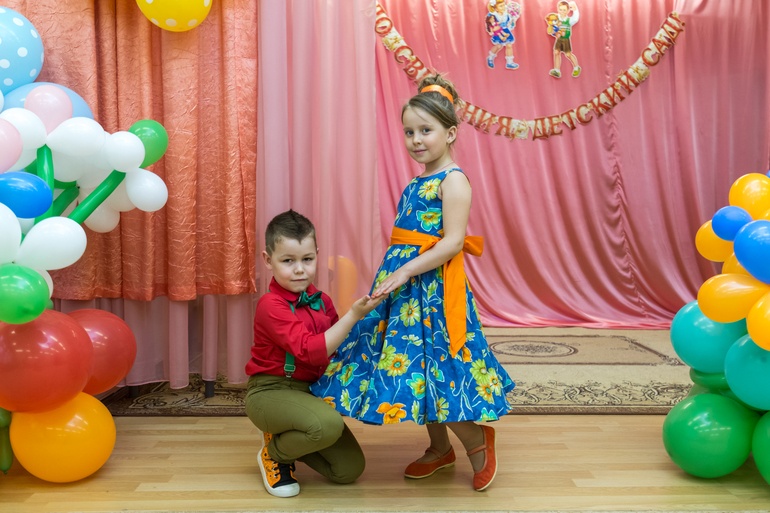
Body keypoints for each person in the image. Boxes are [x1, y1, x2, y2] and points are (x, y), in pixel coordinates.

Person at [311, 75, 515, 492]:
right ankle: (439, 448)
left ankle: (478, 440)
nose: (416, 140)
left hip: (433, 290)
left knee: (439, 365)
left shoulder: (453, 180)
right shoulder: (417, 180)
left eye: (426, 130)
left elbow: (453, 242)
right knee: (414, 368)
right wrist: (395, 271)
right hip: (404, 288)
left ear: (450, 132)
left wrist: (405, 270)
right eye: (409, 132)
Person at [245, 209, 384, 498]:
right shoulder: (271, 305)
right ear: (268, 260)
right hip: (270, 391)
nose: (299, 269)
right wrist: (352, 316)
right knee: (327, 425)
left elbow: (338, 347)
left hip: (310, 392)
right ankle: (275, 453)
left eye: (307, 259)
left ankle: (292, 434)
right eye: (288, 261)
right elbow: (311, 352)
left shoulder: (323, 302)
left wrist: (375, 319)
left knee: (348, 470)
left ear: (317, 255)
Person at [548, 0, 581, 78]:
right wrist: (554, 33)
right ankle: (557, 70)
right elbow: (553, 28)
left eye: (564, 10)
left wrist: (575, 8)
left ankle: (576, 67)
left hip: (565, 40)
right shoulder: (556, 19)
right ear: (558, 9)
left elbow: (576, 18)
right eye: (560, 9)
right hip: (559, 39)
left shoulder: (569, 20)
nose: (562, 11)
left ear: (568, 11)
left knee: (568, 54)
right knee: (556, 52)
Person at [485, 0, 520, 70]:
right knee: (498, 46)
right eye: (501, 6)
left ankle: (509, 62)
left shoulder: (507, 14)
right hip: (497, 31)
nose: (503, 7)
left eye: (504, 5)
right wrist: (493, 29)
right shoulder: (492, 15)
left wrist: (513, 21)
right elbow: (489, 26)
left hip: (505, 31)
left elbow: (510, 23)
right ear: (495, 8)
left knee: (509, 45)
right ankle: (490, 57)